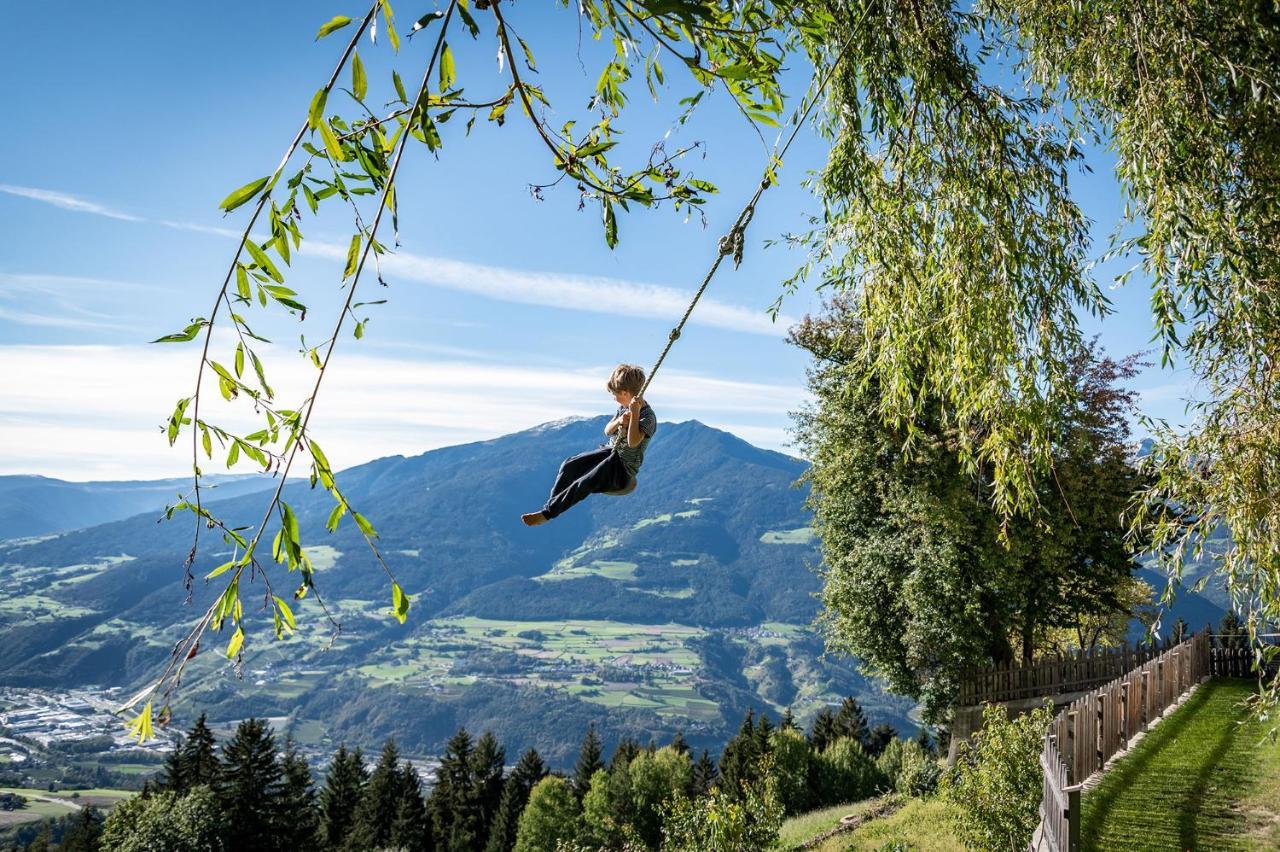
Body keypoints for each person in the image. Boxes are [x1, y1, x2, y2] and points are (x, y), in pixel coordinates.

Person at [522, 364, 658, 526]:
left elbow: (633, 441)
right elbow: (607, 431)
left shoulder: (647, 416)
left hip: (622, 469)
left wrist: (635, 414)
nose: (613, 397)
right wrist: (620, 421)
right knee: (570, 464)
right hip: (608, 452)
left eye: (614, 394)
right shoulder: (622, 408)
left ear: (625, 393)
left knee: (585, 481)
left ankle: (548, 513)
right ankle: (552, 504)